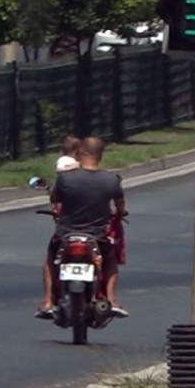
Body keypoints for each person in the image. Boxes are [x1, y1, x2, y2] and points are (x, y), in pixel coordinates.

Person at [35, 136, 129, 319]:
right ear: (101, 155)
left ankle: (47, 301)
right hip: (97, 237)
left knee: (50, 260)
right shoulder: (112, 180)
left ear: (80, 152)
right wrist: (119, 213)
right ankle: (111, 299)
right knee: (110, 259)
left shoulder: (66, 179)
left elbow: (54, 199)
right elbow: (120, 206)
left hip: (65, 235)